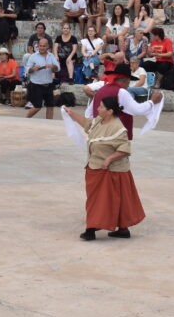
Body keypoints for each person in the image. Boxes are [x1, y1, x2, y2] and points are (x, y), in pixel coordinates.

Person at [63, 96, 146, 241]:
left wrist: (109, 159)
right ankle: (123, 229)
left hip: (112, 171)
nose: (98, 108)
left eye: (101, 106)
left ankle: (90, 230)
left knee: (99, 201)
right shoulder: (99, 121)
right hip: (96, 167)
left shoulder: (118, 128)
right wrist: (71, 114)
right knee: (109, 200)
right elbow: (87, 124)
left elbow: (125, 148)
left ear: (110, 111)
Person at [24, 39, 60, 119]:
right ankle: (25, 119)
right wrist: (33, 68)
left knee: (50, 106)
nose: (42, 48)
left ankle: (49, 123)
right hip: (36, 85)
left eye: (44, 46)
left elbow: (57, 68)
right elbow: (27, 70)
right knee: (37, 106)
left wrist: (52, 66)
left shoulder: (51, 56)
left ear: (48, 46)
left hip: (48, 84)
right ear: (38, 46)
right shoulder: (33, 56)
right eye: (40, 46)